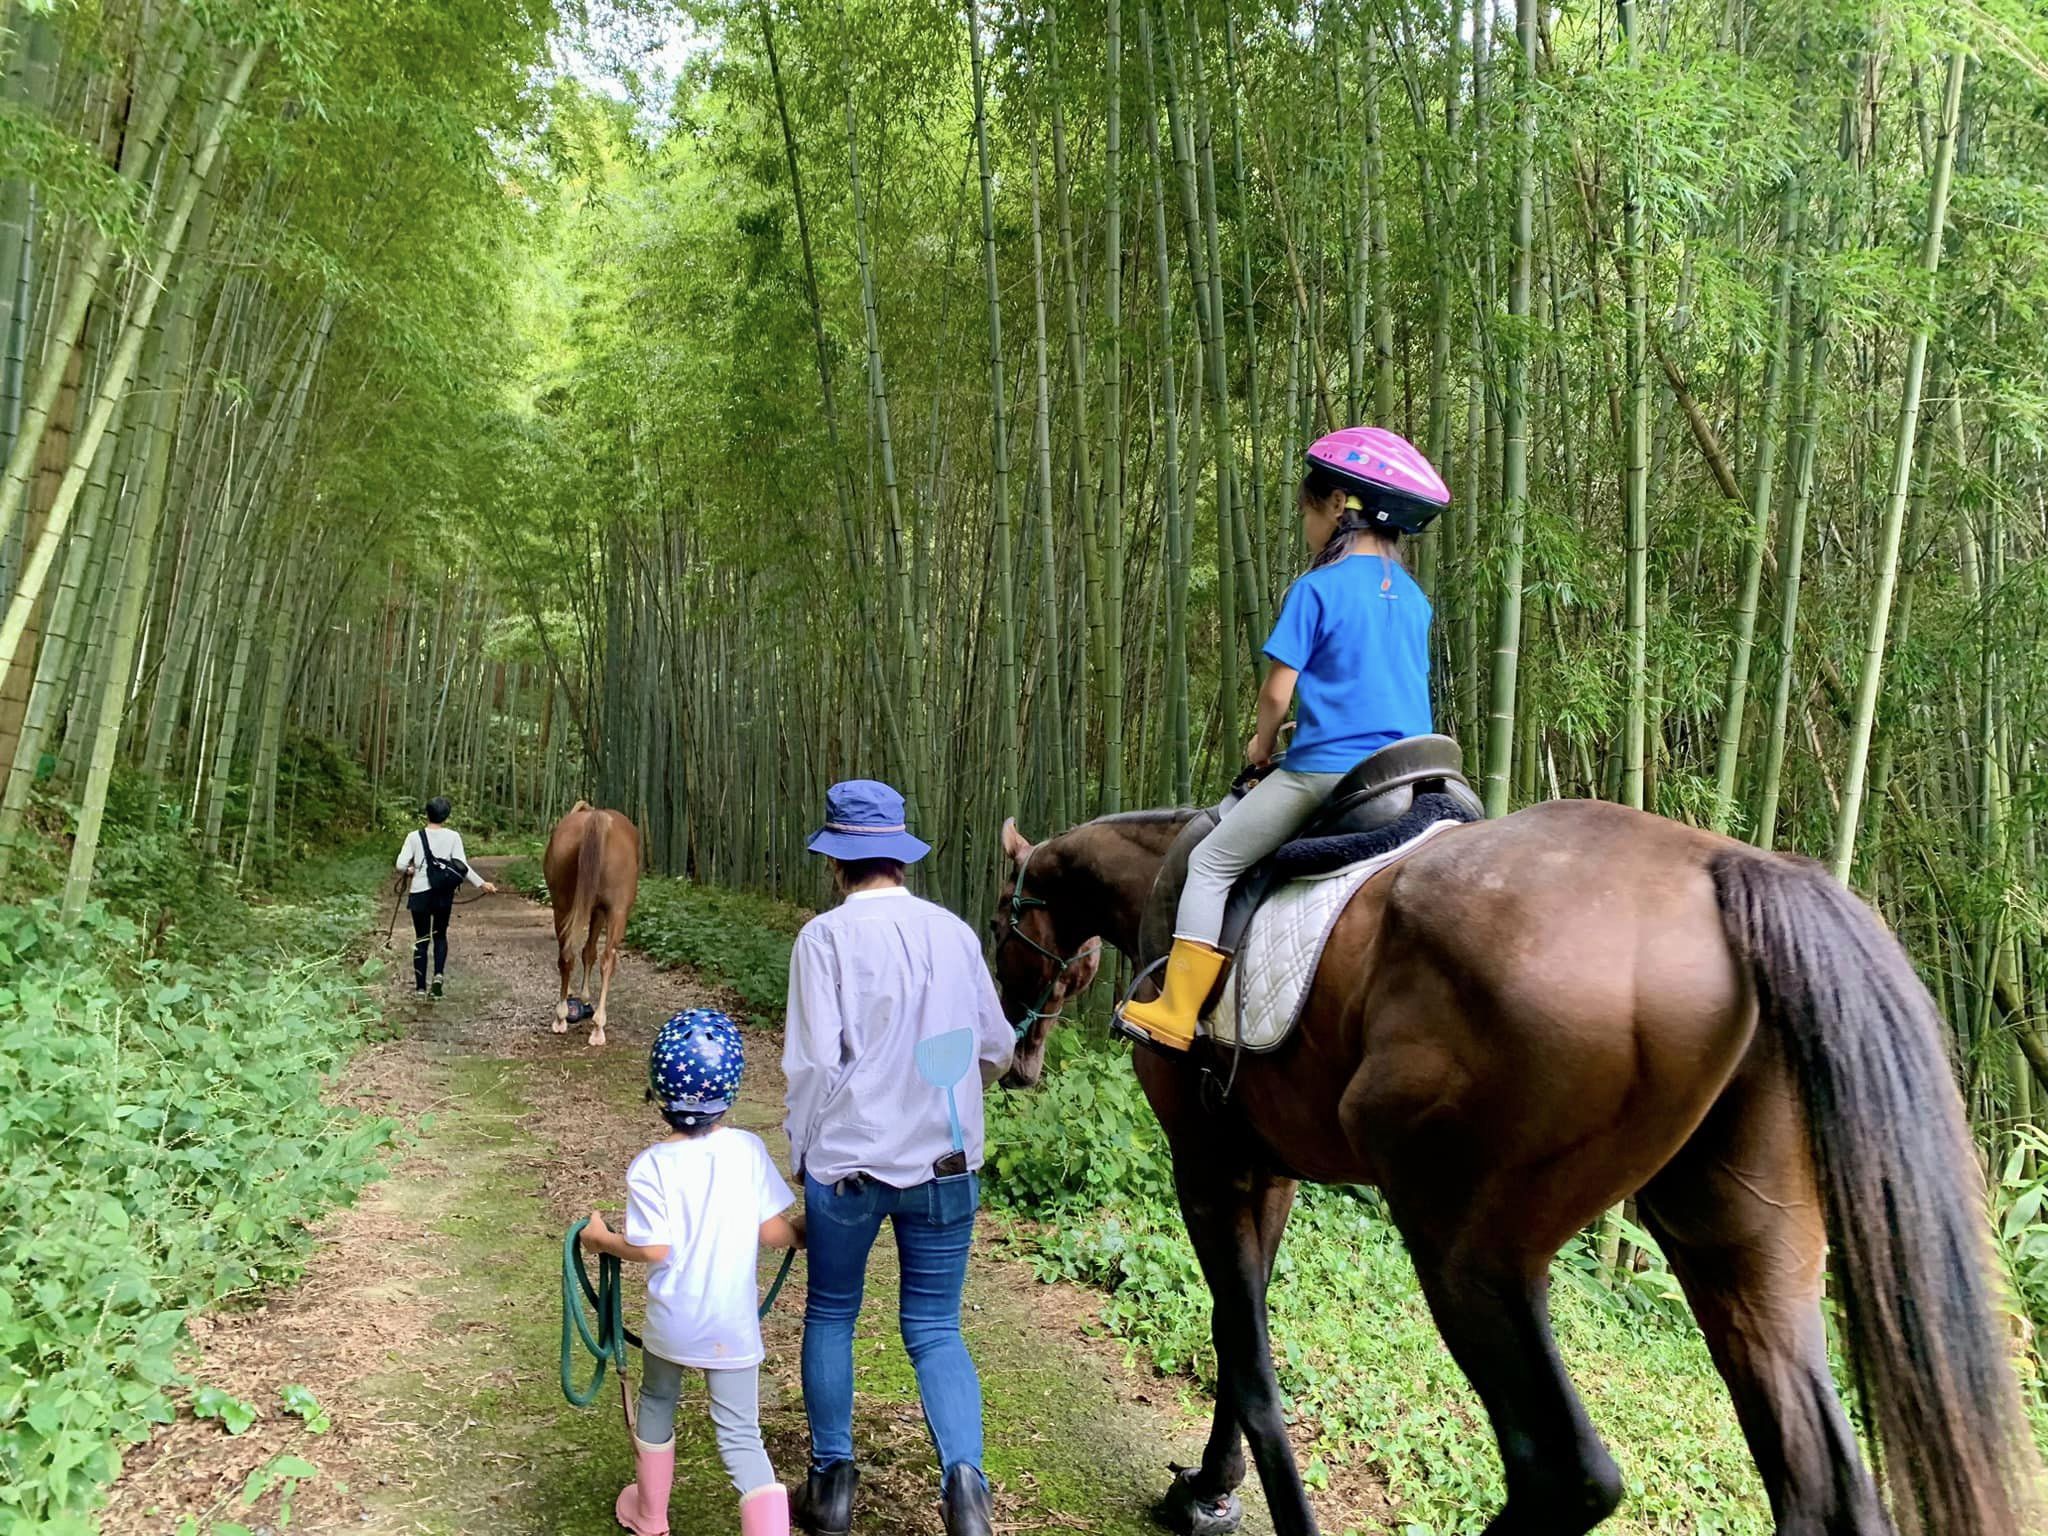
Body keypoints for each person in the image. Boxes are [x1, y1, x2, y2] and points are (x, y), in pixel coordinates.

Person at [1115, 426, 1450, 1053]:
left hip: (1330, 773)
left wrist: (1261, 746)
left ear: (1335, 506)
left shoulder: (1317, 588)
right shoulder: (1413, 598)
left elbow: (1275, 694)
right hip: (1410, 769)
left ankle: (1179, 1009)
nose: (1305, 524)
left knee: (1212, 862)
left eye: (1306, 509)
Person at [782, 780, 1015, 1536]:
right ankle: (968, 1493)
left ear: (836, 862)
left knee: (833, 1313)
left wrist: (801, 1153)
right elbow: (995, 1048)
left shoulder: (824, 939)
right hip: (947, 1165)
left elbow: (815, 1066)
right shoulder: (953, 932)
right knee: (937, 1328)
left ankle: (831, 1488)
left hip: (846, 1166)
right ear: (900, 856)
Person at [581, 1008, 804, 1536]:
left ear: (658, 1089)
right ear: (730, 1089)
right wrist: (805, 1233)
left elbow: (654, 1249)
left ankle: (650, 1514)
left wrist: (600, 1241)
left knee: (658, 1401)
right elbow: (773, 1233)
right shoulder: (747, 1150)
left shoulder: (652, 1165)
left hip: (673, 1324)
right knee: (740, 1433)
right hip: (732, 1326)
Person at [392, 795, 495, 999]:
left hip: (420, 893)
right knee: (440, 936)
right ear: (446, 816)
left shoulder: (414, 836)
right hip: (442, 895)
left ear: (426, 814)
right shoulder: (453, 837)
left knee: (421, 939)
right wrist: (482, 884)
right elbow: (461, 866)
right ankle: (438, 976)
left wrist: (412, 869)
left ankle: (420, 988)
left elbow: (400, 864)